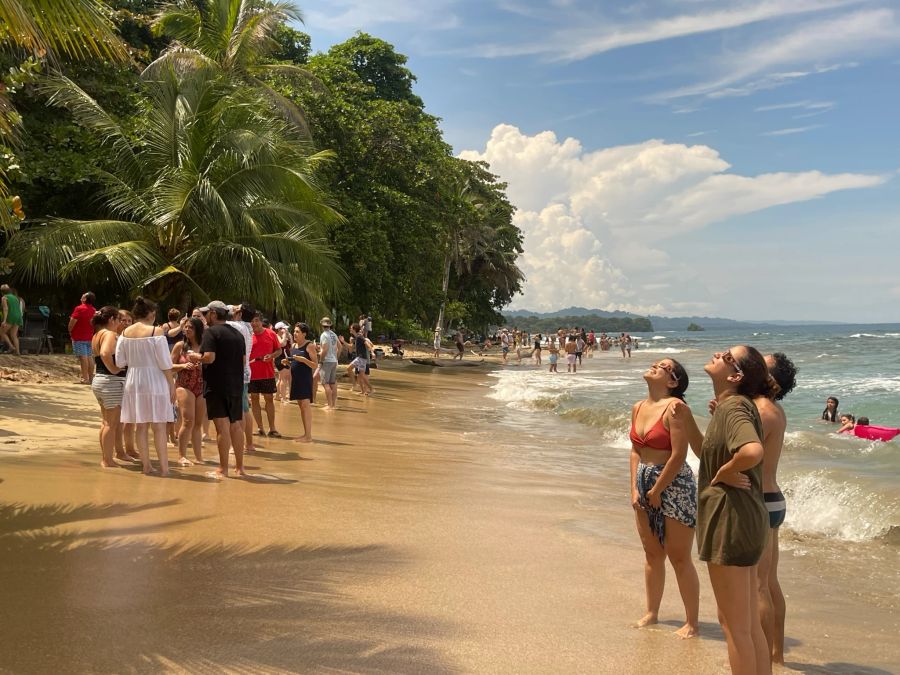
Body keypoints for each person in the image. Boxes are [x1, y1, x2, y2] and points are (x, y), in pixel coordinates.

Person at [696, 346, 775, 675]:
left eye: (727, 355)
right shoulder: (732, 407)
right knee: (747, 626)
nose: (718, 353)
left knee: (734, 627)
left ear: (736, 376)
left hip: (731, 519)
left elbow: (753, 451)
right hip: (745, 518)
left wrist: (727, 470)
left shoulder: (734, 408)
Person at [630, 358, 700, 639]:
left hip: (674, 484)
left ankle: (692, 622)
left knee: (679, 556)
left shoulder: (676, 408)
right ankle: (652, 612)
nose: (654, 365)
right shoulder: (638, 407)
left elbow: (679, 455)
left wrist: (658, 490)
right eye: (656, 363)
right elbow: (635, 450)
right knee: (652, 553)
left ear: (673, 382)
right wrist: (635, 488)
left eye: (663, 366)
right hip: (644, 481)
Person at [756, 353, 798, 666]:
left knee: (758, 586)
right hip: (773, 499)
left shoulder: (760, 411)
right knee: (769, 582)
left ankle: (762, 661)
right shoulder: (775, 409)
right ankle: (776, 655)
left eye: (760, 362)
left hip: (758, 501)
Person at [116, 297, 176, 476]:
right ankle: (165, 469)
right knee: (158, 425)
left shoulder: (125, 332)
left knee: (140, 426)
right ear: (151, 314)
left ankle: (146, 466)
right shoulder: (156, 331)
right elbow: (165, 363)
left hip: (134, 379)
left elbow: (120, 362)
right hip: (155, 379)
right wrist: (171, 385)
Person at [189, 300, 246, 478]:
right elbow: (243, 361)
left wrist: (195, 356)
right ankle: (240, 468)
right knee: (236, 426)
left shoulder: (211, 333)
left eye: (207, 314)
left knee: (221, 427)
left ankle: (223, 469)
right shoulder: (238, 334)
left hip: (217, 385)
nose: (205, 317)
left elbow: (209, 357)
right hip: (236, 385)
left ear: (214, 314)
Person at [90, 306, 123, 468]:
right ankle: (107, 459)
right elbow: (105, 353)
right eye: (118, 319)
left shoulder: (97, 334)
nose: (119, 323)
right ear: (111, 319)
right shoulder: (109, 334)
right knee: (111, 423)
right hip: (111, 381)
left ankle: (106, 457)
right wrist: (115, 369)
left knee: (105, 422)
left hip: (100, 380)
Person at [171, 317, 206, 465]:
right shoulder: (180, 346)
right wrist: (183, 366)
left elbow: (214, 366)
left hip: (202, 385)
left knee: (198, 424)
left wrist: (201, 366)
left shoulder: (205, 347)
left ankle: (199, 457)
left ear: (198, 329)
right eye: (185, 327)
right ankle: (182, 455)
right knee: (187, 420)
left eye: (190, 327)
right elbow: (169, 366)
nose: (186, 330)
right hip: (184, 385)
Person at [227, 303, 255, 454]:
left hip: (238, 373)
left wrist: (230, 309)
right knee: (245, 409)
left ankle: (237, 444)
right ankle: (248, 444)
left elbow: (220, 318)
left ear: (240, 314)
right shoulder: (248, 327)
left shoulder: (237, 326)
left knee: (238, 411)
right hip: (245, 372)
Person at [248, 312, 282, 436]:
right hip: (251, 374)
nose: (254, 323)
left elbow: (279, 350)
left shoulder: (271, 333)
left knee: (269, 399)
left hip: (267, 373)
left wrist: (271, 356)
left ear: (261, 321)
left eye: (256, 320)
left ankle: (272, 428)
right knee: (254, 399)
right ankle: (260, 428)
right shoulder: (248, 336)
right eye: (252, 321)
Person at [285, 322, 317, 443]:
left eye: (297, 332)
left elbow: (315, 364)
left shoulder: (309, 346)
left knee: (305, 406)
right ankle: (305, 434)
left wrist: (303, 359)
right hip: (296, 380)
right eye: (294, 331)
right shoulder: (293, 345)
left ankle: (308, 436)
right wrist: (287, 362)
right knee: (301, 407)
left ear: (304, 334)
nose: (295, 333)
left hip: (305, 379)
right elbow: (294, 363)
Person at [114, 310, 139, 461]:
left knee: (131, 419)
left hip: (130, 379)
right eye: (123, 320)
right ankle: (119, 451)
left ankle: (130, 448)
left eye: (129, 320)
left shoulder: (131, 337)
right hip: (118, 379)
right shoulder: (114, 337)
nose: (126, 323)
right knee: (119, 420)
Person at [69, 292, 97, 384]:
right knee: (89, 357)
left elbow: (73, 321)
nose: (81, 296)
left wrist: (69, 330)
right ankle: (91, 378)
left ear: (85, 299)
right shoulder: (93, 310)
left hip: (79, 337)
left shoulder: (79, 308)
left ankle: (85, 378)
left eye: (83, 296)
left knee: (83, 358)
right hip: (89, 337)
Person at [318, 317, 339, 409]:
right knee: (332, 383)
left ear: (322, 325)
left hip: (327, 361)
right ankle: (333, 404)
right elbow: (340, 347)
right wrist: (336, 357)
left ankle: (329, 405)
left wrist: (321, 360)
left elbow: (325, 349)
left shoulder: (324, 335)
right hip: (334, 360)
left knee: (325, 383)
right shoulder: (334, 334)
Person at [348, 323, 373, 396]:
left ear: (354, 329)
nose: (350, 329)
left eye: (351, 328)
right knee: (358, 374)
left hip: (361, 358)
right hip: (360, 358)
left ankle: (371, 389)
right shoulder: (357, 337)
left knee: (361, 375)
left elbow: (366, 343)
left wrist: (372, 352)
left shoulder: (359, 337)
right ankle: (363, 391)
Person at [0, 284, 23, 355]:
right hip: (18, 316)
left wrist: (4, 320)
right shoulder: (15, 297)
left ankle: (11, 347)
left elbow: (5, 309)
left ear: (2, 292)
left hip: (11, 316)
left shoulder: (4, 298)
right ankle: (17, 352)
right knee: (14, 335)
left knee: (1, 332)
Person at [274, 321, 292, 402]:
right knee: (283, 378)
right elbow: (282, 344)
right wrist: (284, 335)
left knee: (281, 378)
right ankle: (283, 398)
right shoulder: (276, 336)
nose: (285, 330)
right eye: (284, 329)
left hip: (286, 358)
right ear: (279, 329)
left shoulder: (286, 336)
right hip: (280, 358)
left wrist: (288, 335)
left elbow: (290, 345)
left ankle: (277, 396)